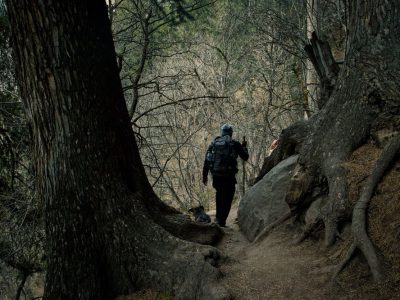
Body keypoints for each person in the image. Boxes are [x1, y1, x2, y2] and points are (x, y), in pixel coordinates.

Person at [202, 124, 249, 227]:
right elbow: (245, 157)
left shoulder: (213, 143)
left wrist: (204, 176)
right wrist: (244, 147)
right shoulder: (235, 144)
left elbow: (207, 161)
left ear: (221, 132)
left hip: (216, 176)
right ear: (231, 133)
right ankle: (221, 222)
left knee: (219, 196)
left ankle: (218, 219)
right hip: (229, 177)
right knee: (228, 198)